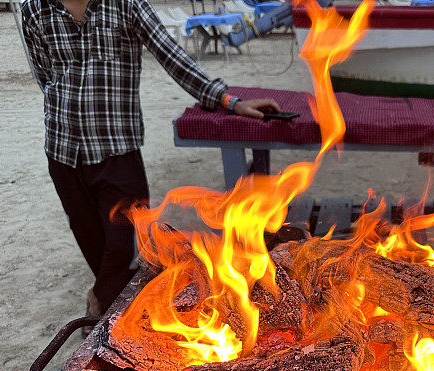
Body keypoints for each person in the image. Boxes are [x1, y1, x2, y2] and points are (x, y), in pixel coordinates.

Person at [21, 0, 279, 326]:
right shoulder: (35, 9)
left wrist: (229, 101)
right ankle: (112, 307)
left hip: (117, 151)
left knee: (123, 248)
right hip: (63, 152)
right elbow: (45, 76)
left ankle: (101, 302)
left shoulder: (125, 4)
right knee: (91, 240)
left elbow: (172, 57)